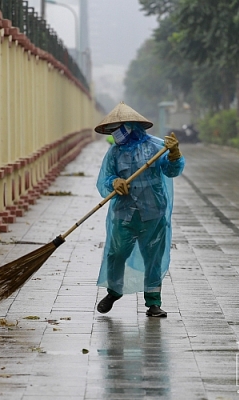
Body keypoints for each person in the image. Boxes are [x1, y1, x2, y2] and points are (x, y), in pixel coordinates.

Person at [94, 102, 185, 317]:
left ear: (132, 125)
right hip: (124, 214)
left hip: (152, 212)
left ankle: (153, 302)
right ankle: (114, 291)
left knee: (153, 255)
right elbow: (104, 180)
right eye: (113, 129)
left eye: (120, 127)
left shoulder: (156, 147)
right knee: (117, 253)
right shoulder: (114, 153)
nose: (116, 133)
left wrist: (174, 154)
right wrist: (114, 182)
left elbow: (172, 171)